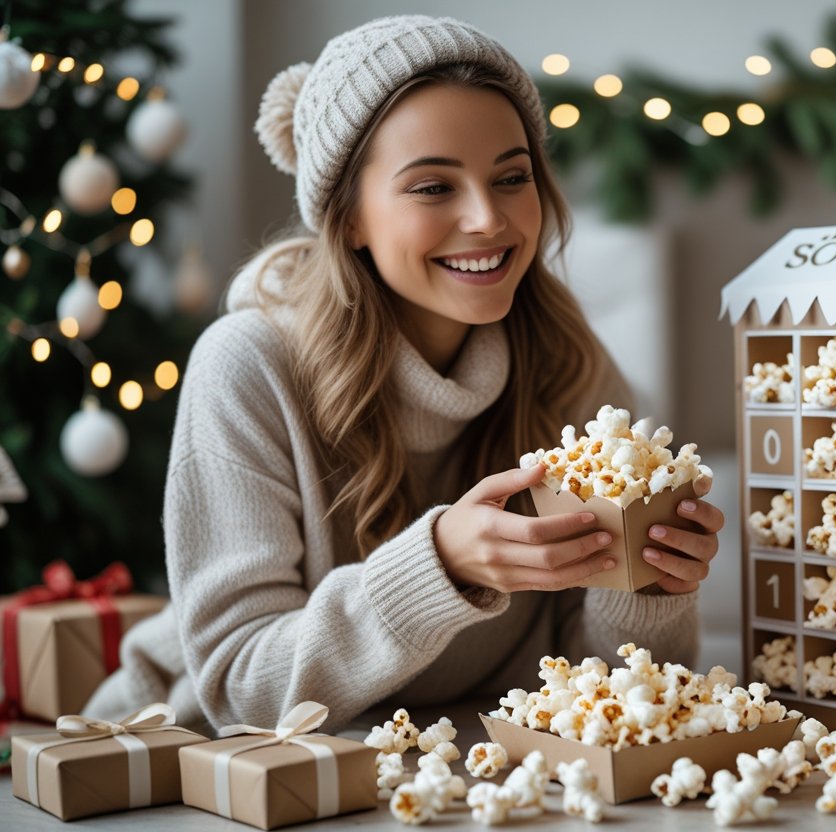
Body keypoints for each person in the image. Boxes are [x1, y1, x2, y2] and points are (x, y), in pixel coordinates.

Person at [85, 15, 723, 732]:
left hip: (453, 769)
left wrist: (649, 582)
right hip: (195, 753)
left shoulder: (569, 366)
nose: (488, 218)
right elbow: (241, 692)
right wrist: (441, 565)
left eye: (512, 177)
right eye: (431, 188)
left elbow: (616, 694)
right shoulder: (249, 367)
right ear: (349, 215)